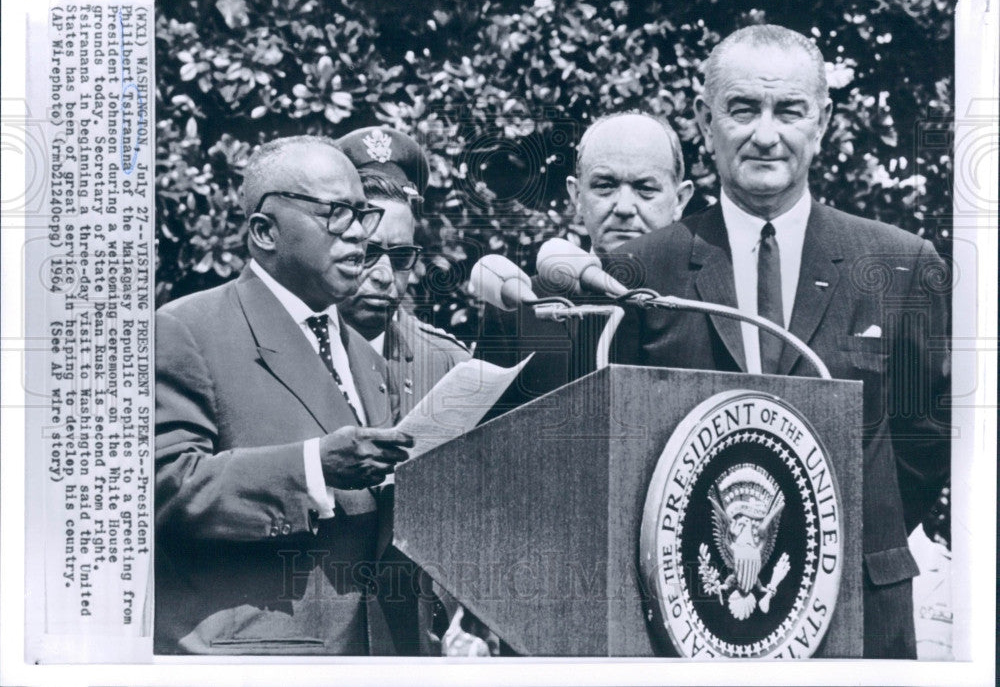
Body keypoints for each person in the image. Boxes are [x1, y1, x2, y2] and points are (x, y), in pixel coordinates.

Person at [613, 24, 951, 658]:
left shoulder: (903, 265)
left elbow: (927, 437)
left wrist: (842, 526)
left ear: (820, 122)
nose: (766, 134)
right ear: (705, 120)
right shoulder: (640, 273)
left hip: (860, 617)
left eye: (788, 111)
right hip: (683, 623)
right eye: (743, 109)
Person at [154, 135, 414, 655]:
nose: (360, 235)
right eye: (336, 213)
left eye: (362, 214)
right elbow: (163, 490)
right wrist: (313, 466)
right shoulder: (186, 328)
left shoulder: (367, 358)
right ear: (264, 231)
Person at [335, 126, 472, 655]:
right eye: (367, 254)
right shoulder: (289, 345)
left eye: (401, 256)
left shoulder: (449, 364)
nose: (384, 277)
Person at [476, 111, 694, 416]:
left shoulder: (707, 306)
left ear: (680, 200)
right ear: (576, 195)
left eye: (646, 188)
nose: (624, 208)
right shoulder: (520, 309)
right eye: (605, 185)